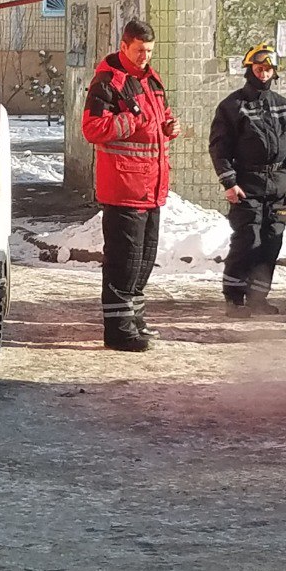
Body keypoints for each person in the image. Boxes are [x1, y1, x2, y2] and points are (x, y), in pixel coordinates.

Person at [81, 19, 179, 351]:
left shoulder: (151, 79)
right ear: (124, 46)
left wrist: (168, 128)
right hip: (124, 188)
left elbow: (159, 119)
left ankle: (135, 320)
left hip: (151, 188)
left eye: (149, 51)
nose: (144, 57)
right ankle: (119, 330)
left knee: (143, 260)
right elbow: (93, 128)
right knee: (123, 262)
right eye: (139, 50)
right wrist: (130, 121)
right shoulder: (108, 82)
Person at [209, 42, 286, 317]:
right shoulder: (232, 106)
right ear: (249, 69)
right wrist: (229, 182)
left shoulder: (284, 107)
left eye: (268, 69)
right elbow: (219, 147)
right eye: (259, 68)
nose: (263, 73)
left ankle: (258, 298)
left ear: (275, 72)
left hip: (277, 185)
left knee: (271, 242)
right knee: (247, 240)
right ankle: (234, 298)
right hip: (246, 183)